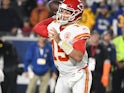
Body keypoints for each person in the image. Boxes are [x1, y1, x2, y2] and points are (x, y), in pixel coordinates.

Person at [33, 0, 92, 93]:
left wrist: (60, 41)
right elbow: (37, 28)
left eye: (67, 12)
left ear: (76, 14)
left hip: (79, 74)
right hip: (63, 75)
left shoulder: (79, 30)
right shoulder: (55, 25)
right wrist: (53, 18)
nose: (63, 14)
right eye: (62, 11)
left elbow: (78, 57)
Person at [112, 26, 124, 93]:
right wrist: (117, 62)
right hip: (117, 65)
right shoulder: (116, 40)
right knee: (116, 88)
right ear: (122, 29)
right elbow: (111, 53)